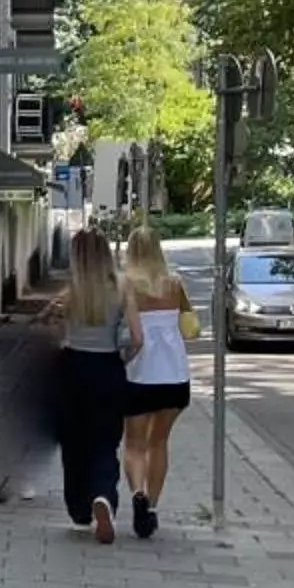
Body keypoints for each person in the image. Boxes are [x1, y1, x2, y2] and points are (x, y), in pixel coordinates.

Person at [120, 225, 196, 539]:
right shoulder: (175, 284)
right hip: (175, 375)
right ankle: (151, 507)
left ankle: (137, 493)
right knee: (159, 442)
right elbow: (189, 322)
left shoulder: (127, 285)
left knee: (134, 444)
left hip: (140, 374)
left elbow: (124, 328)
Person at [56, 228, 129, 544]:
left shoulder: (68, 293)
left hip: (72, 368)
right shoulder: (120, 290)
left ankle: (79, 509)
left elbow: (52, 335)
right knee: (104, 441)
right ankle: (103, 495)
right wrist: (123, 359)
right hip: (108, 367)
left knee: (73, 443)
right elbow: (136, 338)